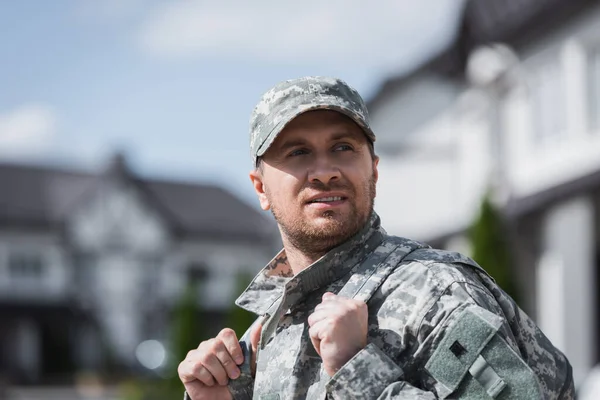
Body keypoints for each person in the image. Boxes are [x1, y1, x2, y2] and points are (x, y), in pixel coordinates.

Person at [178, 76, 574, 399]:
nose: (325, 171)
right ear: (261, 189)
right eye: (297, 152)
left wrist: (357, 371)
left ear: (374, 172)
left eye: (343, 147)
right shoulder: (265, 331)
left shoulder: (435, 293)